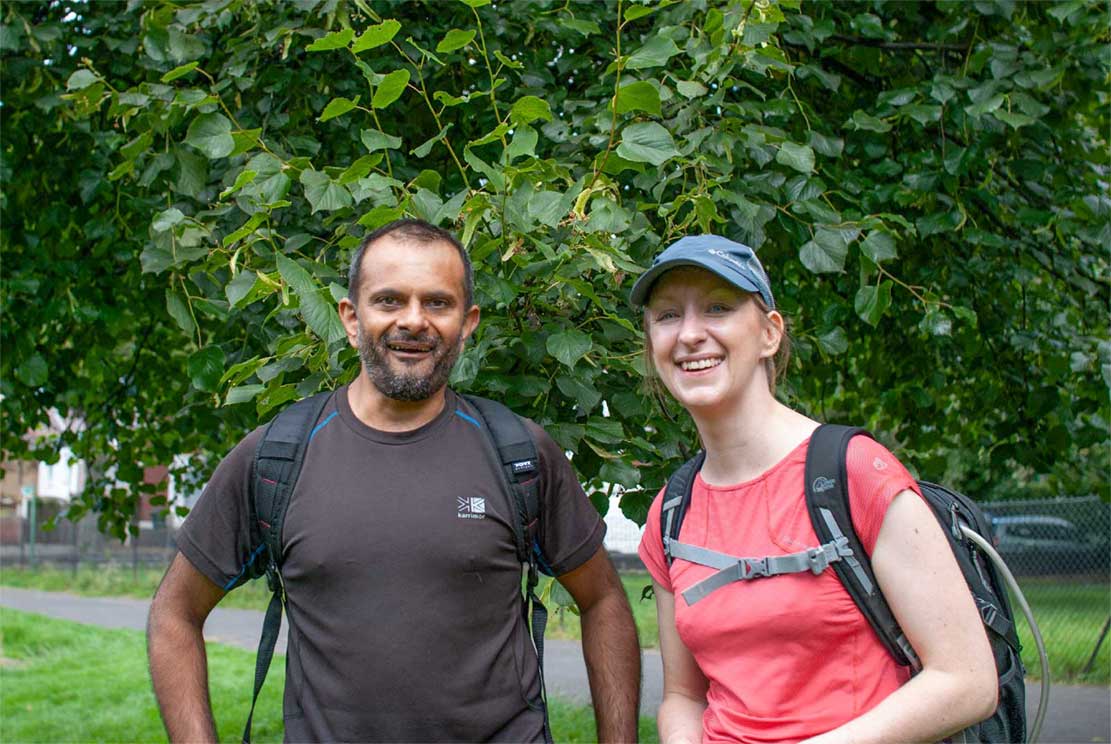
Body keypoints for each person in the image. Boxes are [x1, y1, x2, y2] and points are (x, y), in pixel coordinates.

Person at [147, 218, 641, 743]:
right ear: (351, 318)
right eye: (388, 300)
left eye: (437, 303)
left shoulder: (516, 452)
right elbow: (174, 615)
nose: (413, 321)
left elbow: (603, 600)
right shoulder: (277, 456)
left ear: (467, 322)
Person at [629, 235, 997, 744]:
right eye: (668, 316)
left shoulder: (855, 473)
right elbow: (684, 697)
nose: (691, 333)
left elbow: (968, 681)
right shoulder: (671, 510)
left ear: (769, 334)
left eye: (718, 308)